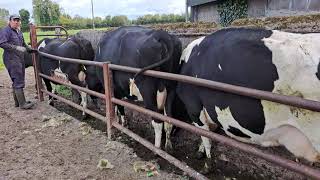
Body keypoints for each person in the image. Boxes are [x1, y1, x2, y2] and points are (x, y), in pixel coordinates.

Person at [0, 14, 35, 109]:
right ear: (10, 21)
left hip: (19, 58)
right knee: (18, 80)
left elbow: (23, 43)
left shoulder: (18, 31)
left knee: (17, 79)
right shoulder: (5, 31)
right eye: (14, 20)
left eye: (18, 20)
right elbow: (2, 43)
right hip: (11, 59)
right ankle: (23, 104)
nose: (16, 22)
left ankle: (18, 102)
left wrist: (29, 49)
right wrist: (16, 47)